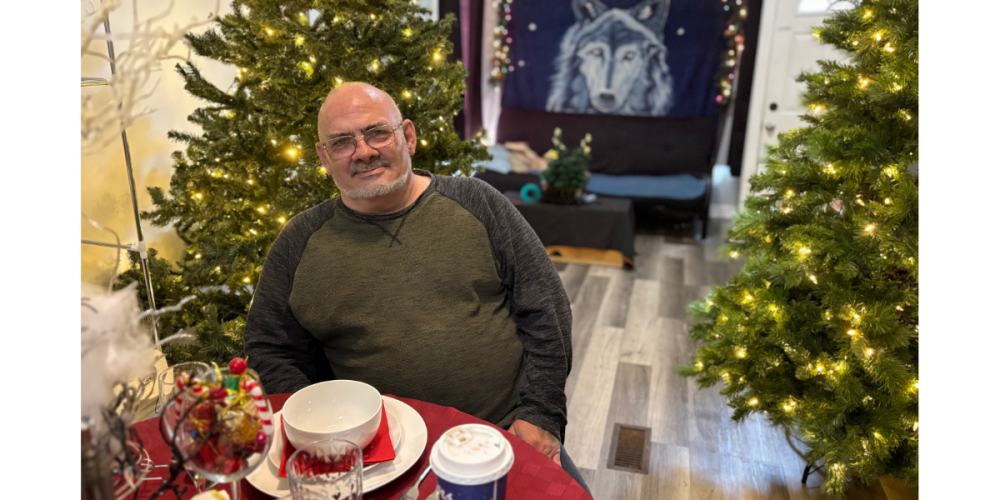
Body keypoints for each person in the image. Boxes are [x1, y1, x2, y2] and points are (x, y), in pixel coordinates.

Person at [244, 82, 591, 496]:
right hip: (374, 460)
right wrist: (317, 433)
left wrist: (541, 416)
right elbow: (271, 347)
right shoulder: (298, 243)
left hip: (501, 435)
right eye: (341, 142)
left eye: (377, 133)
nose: (363, 152)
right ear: (324, 157)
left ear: (408, 136)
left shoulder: (478, 203)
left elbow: (547, 311)